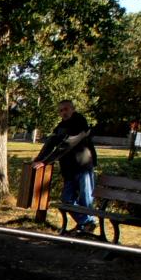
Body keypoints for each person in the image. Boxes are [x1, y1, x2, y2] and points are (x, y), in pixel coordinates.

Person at [32, 100, 98, 234]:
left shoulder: (80, 123)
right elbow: (51, 142)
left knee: (86, 199)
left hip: (83, 166)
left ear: (73, 109)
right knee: (66, 200)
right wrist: (39, 159)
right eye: (61, 110)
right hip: (68, 170)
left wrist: (46, 161)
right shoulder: (61, 126)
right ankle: (86, 223)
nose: (64, 112)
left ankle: (86, 226)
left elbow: (67, 144)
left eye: (66, 109)